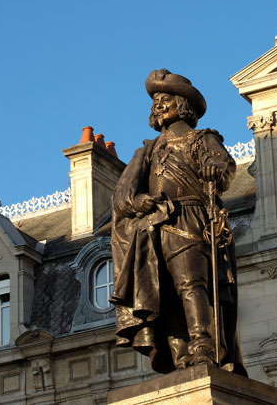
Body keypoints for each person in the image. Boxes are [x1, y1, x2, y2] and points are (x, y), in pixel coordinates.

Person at [110, 69, 246, 375]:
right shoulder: (147, 150)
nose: (157, 105)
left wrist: (214, 170)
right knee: (166, 294)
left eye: (164, 99)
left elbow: (224, 166)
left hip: (193, 218)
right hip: (155, 228)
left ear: (182, 104)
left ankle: (203, 346)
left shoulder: (202, 139)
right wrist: (137, 201)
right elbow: (121, 196)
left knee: (191, 283)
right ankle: (181, 355)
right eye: (155, 100)